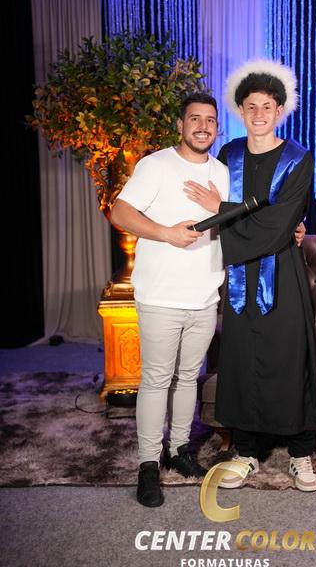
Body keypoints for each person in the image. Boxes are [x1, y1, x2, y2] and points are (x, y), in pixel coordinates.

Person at [184, 59, 316, 492]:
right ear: (240, 111)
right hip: (241, 277)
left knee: (290, 359)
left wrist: (221, 210)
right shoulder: (229, 156)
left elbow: (281, 224)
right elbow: (211, 211)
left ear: (280, 110)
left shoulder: (298, 159)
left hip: (283, 274)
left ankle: (300, 453)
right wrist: (219, 214)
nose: (259, 114)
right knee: (241, 361)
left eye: (267, 106)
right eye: (251, 106)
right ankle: (245, 452)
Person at [110, 92, 229, 507]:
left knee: (187, 378)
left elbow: (232, 226)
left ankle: (178, 451)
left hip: (204, 296)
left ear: (217, 128)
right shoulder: (156, 165)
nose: (202, 126)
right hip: (160, 295)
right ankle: (148, 463)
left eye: (210, 120)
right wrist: (166, 233)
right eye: (194, 118)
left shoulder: (222, 173)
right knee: (157, 379)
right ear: (180, 125)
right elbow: (119, 213)